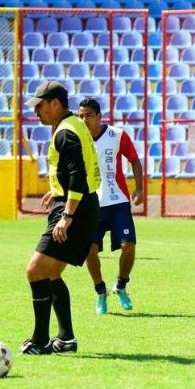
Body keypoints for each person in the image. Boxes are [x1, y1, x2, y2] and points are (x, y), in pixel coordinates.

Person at [20, 81, 101, 355]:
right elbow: (75, 171)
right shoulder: (75, 125)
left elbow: (78, 174)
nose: (37, 112)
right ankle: (66, 339)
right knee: (51, 273)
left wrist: (66, 215)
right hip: (83, 205)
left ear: (55, 103)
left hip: (74, 211)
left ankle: (40, 341)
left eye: (40, 106)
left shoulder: (65, 132)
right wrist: (56, 191)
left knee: (35, 271)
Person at [78, 98, 143, 315]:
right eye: (80, 116)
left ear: (99, 116)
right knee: (89, 250)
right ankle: (100, 291)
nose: (83, 120)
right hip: (91, 203)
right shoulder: (77, 138)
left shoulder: (117, 135)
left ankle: (121, 285)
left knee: (128, 245)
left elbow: (134, 160)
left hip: (118, 201)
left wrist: (139, 188)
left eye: (88, 115)